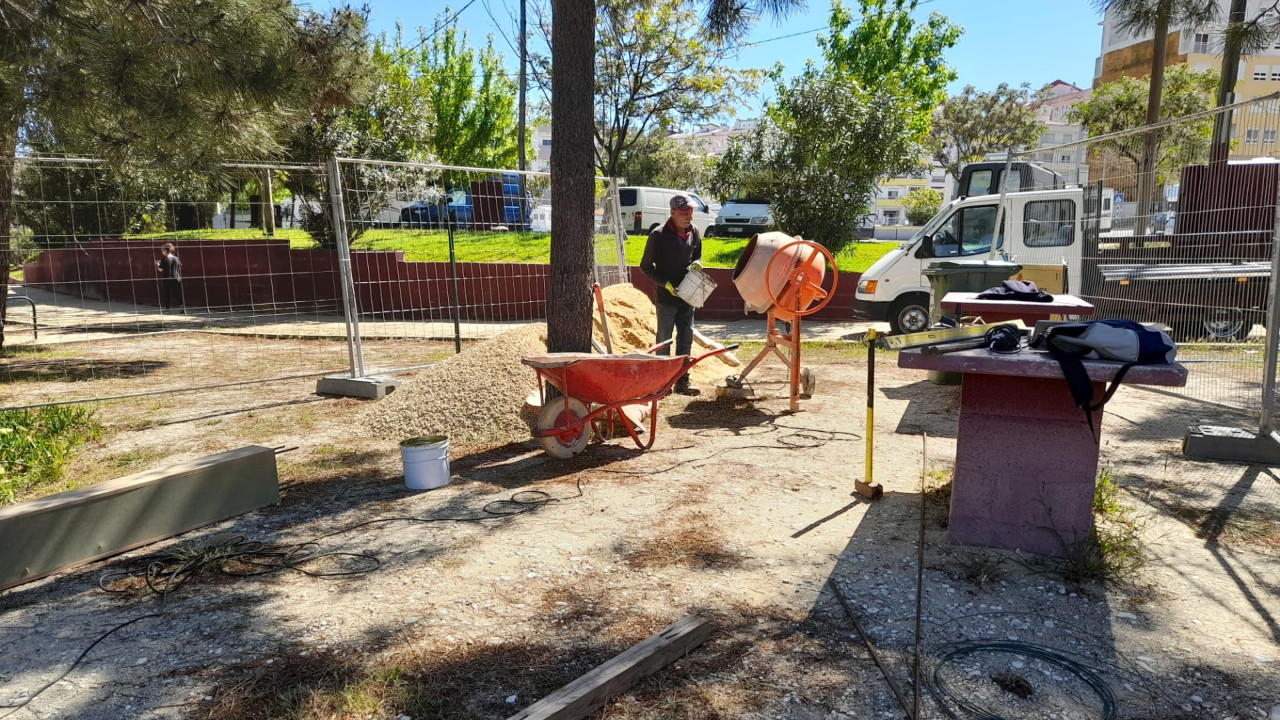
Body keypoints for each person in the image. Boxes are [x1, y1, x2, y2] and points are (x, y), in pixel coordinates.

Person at [640, 193, 703, 396]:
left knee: (686, 338)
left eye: (691, 212)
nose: (689, 217)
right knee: (665, 339)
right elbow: (646, 267)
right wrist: (664, 283)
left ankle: (682, 382)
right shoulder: (658, 235)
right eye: (684, 213)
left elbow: (698, 256)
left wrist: (698, 264)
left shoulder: (694, 232)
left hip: (688, 295)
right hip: (667, 297)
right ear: (673, 213)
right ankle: (663, 384)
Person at [156, 242, 184, 313]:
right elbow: (179, 266)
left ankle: (167, 309)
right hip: (176, 278)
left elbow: (161, 270)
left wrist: (157, 264)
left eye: (163, 251)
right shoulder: (176, 258)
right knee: (177, 294)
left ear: (166, 251)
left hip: (167, 278)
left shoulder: (164, 259)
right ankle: (182, 307)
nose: (162, 252)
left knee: (166, 294)